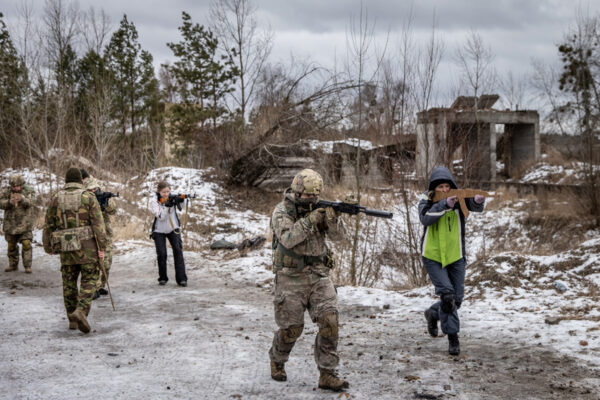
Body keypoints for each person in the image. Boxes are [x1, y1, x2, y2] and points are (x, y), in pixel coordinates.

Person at [268, 169, 349, 392]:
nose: (312, 200)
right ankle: (277, 358)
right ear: (297, 192)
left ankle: (327, 373)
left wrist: (333, 220)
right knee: (292, 329)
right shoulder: (282, 210)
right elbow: (288, 238)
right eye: (307, 196)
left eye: (315, 196)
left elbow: (339, 238)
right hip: (290, 277)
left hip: (319, 274)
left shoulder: (318, 208)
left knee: (330, 322)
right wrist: (310, 220)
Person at [418, 166, 485, 356]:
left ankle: (433, 313)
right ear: (434, 188)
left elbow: (472, 205)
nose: (445, 190)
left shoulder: (458, 199)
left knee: (456, 300)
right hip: (433, 256)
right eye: (441, 187)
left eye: (447, 186)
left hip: (456, 256)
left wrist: (478, 201)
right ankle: (453, 338)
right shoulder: (426, 200)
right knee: (447, 297)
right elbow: (425, 218)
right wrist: (443, 204)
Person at [42, 168, 107, 333]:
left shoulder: (55, 198)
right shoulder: (88, 197)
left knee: (69, 283)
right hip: (88, 249)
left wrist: (48, 246)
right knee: (90, 280)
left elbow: (48, 224)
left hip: (66, 248)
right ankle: (81, 311)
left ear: (66, 181)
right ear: (80, 180)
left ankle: (72, 319)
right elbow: (98, 226)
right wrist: (102, 248)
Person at [149, 181, 187, 287]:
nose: (166, 194)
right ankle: (163, 278)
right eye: (164, 192)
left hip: (173, 228)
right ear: (159, 191)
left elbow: (181, 207)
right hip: (159, 230)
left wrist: (181, 200)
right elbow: (161, 217)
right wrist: (167, 206)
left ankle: (182, 279)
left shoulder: (172, 196)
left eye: (168, 191)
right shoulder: (154, 200)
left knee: (178, 251)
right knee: (162, 254)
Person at [85, 178, 117, 299]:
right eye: (91, 190)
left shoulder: (104, 196)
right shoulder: (85, 199)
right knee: (95, 262)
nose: (94, 191)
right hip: (91, 234)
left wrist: (105, 202)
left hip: (105, 234)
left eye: (95, 189)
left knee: (107, 262)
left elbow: (113, 210)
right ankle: (94, 287)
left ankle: (101, 285)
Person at [0, 174, 36, 273]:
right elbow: (0, 202)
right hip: (10, 224)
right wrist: (9, 202)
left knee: (26, 244)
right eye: (13, 186)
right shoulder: (6, 191)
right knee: (11, 245)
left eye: (17, 186)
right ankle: (13, 265)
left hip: (25, 223)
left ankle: (27, 266)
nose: (16, 188)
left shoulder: (28, 190)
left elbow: (32, 201)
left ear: (22, 184)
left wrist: (22, 199)